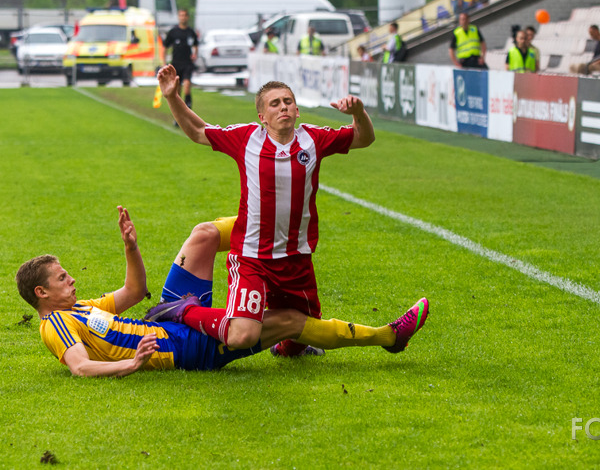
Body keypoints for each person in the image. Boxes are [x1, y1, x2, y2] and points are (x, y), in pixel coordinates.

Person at [156, 66, 400, 358]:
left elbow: (364, 138)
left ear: (297, 110)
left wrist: (358, 113)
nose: (283, 107)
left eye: (287, 102)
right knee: (243, 335)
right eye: (275, 104)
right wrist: (172, 96)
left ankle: (285, 348)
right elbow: (197, 131)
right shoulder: (246, 139)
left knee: (301, 335)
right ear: (262, 117)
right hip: (252, 258)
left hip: (296, 259)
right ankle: (183, 310)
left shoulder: (314, 139)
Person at [15, 207, 430, 377]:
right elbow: (80, 367)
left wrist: (130, 246)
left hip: (162, 318)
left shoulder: (82, 307)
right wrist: (131, 365)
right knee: (289, 321)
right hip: (186, 350)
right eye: (62, 278)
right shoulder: (56, 325)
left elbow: (135, 289)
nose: (71, 280)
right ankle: (388, 337)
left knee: (203, 235)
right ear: (42, 293)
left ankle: (273, 226)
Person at [163, 9, 198, 111]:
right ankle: (178, 116)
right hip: (176, 64)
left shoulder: (191, 32)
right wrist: (164, 62)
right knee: (177, 91)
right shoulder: (173, 32)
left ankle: (189, 110)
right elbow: (165, 47)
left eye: (184, 15)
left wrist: (195, 54)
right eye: (181, 15)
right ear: (179, 17)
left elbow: (195, 45)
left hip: (187, 64)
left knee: (187, 86)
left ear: (187, 17)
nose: (183, 17)